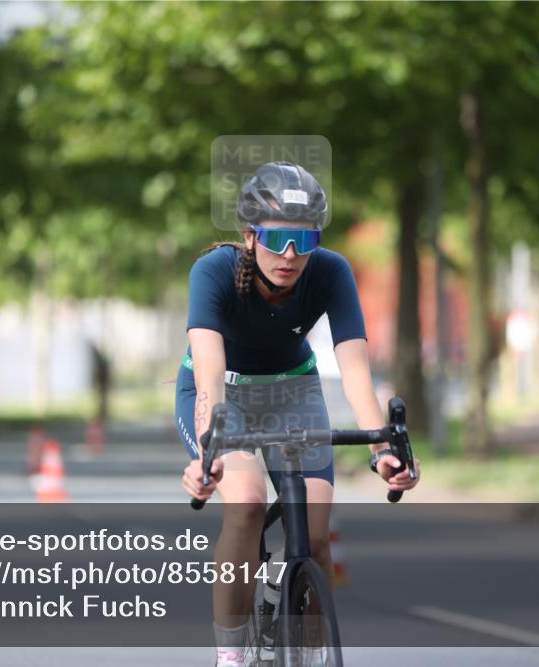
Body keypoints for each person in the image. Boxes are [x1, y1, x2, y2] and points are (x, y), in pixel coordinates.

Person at [176, 161, 421, 666]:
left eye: (304, 242)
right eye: (276, 239)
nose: (290, 255)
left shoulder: (331, 272)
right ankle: (232, 656)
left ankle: (306, 653)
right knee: (245, 502)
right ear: (249, 235)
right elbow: (209, 373)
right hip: (228, 392)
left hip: (293, 391)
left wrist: (383, 453)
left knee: (312, 535)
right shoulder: (213, 272)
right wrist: (210, 452)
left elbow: (355, 372)